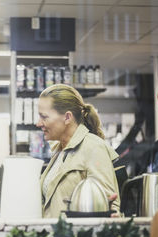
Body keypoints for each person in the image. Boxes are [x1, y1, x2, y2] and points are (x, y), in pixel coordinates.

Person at [36, 84, 120, 218]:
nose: (38, 123)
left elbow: (111, 206)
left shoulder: (93, 147)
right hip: (55, 236)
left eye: (44, 117)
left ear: (67, 117)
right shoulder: (59, 151)